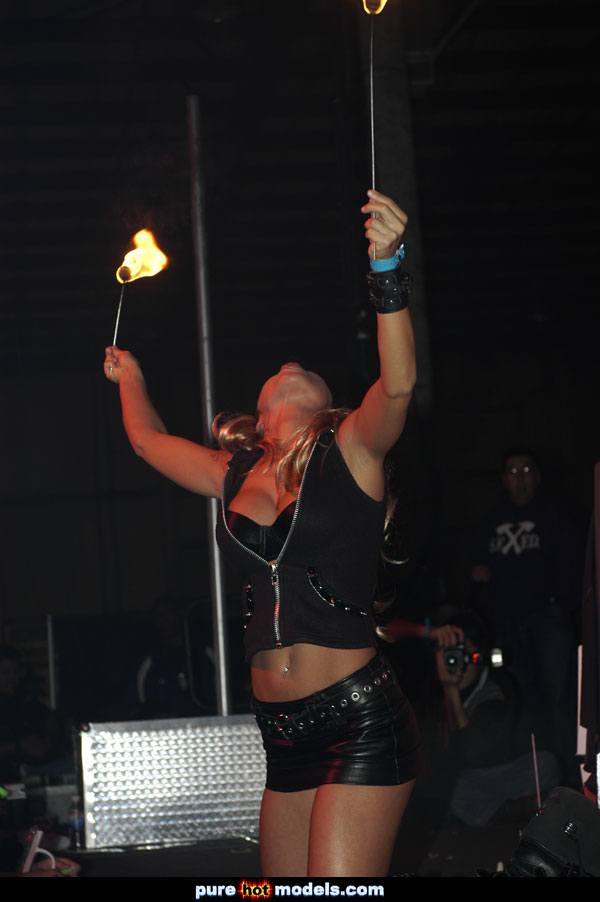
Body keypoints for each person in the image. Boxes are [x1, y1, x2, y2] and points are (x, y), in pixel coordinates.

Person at [103, 189, 420, 877]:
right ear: (263, 413)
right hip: (281, 736)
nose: (290, 366)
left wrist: (386, 267)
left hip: (359, 720)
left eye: (306, 373)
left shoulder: (352, 451)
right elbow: (148, 441)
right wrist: (131, 377)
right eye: (279, 375)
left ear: (326, 404)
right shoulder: (234, 473)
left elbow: (397, 387)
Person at [471, 448, 581, 785]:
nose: (520, 479)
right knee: (518, 698)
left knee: (558, 697)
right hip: (508, 624)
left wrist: (561, 605)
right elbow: (475, 562)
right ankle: (534, 780)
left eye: (526, 471)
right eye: (513, 472)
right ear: (504, 479)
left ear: (538, 476)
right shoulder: (492, 519)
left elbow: (572, 564)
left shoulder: (554, 516)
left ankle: (571, 778)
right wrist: (479, 576)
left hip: (547, 619)